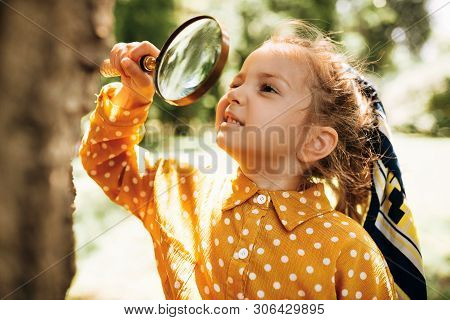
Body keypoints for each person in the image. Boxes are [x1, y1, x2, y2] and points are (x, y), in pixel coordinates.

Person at [79, 20, 399, 299]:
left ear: (315, 141)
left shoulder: (349, 250)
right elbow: (109, 161)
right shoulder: (182, 191)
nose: (236, 93)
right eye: (237, 82)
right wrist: (132, 94)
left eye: (268, 88)